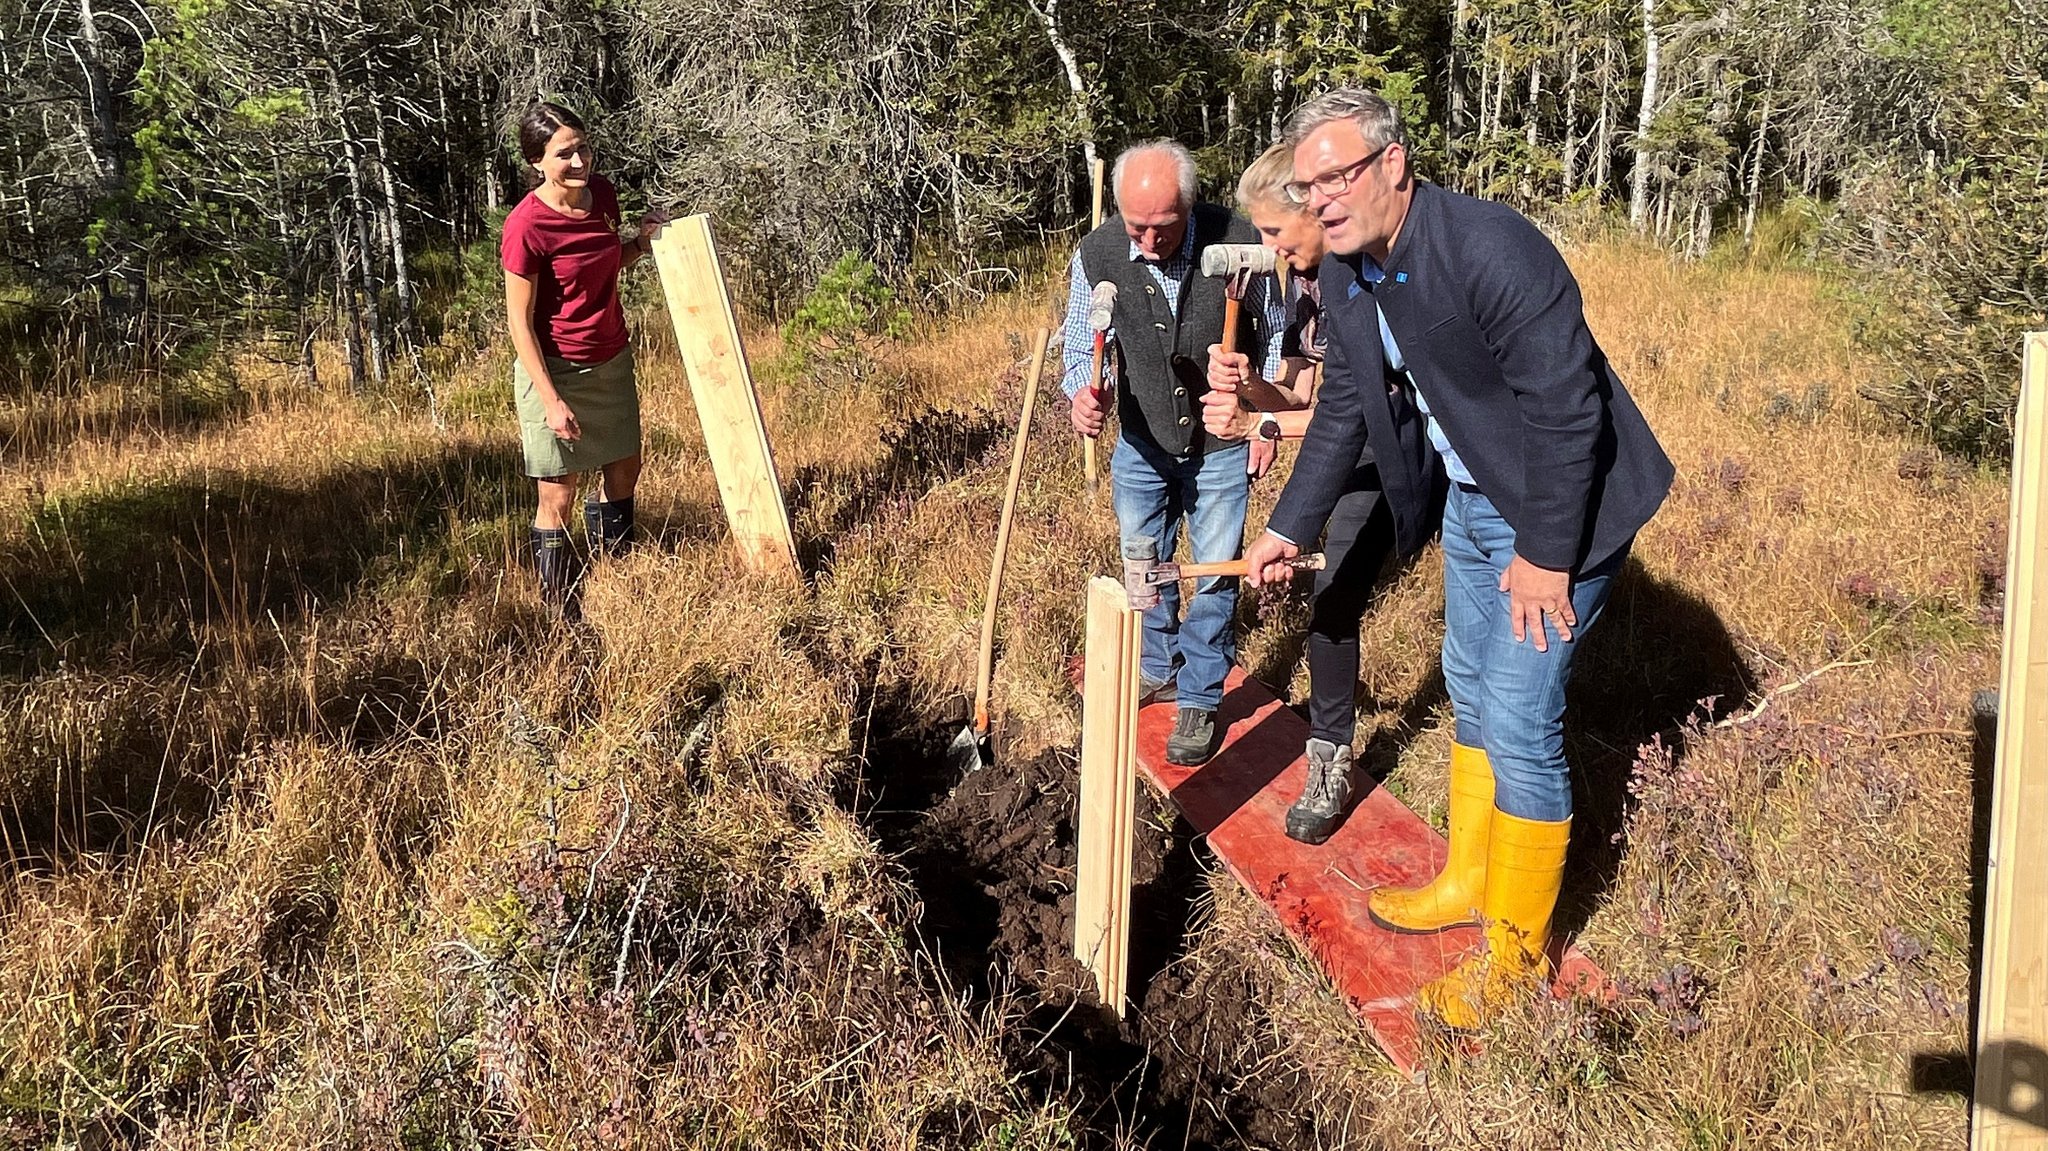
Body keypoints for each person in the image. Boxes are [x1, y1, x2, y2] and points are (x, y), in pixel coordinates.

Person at [1244, 89, 1675, 1027]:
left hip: (1566, 512)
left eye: (1339, 175)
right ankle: (1470, 879)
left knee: (1519, 717)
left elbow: (1570, 413)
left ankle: (1514, 963)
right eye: (1310, 184)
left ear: (1393, 164)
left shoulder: (1493, 248)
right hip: (1478, 500)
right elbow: (1348, 409)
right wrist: (1288, 525)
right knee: (1469, 686)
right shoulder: (1355, 273)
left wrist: (1547, 557)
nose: (1322, 199)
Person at [1201, 143, 1417, 846]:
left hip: (1399, 453)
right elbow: (1300, 394)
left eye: (1270, 231)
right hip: (1342, 451)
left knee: (1341, 593)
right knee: (1332, 599)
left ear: (1314, 212)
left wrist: (1258, 422)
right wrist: (1247, 385)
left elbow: (1363, 411)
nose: (1264, 247)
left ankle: (1331, 757)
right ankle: (1331, 751)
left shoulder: (1372, 277)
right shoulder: (1303, 282)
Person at [1061, 140, 1286, 766]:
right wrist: (1083, 392)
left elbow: (1272, 340)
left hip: (1220, 441)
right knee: (1143, 560)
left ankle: (1201, 695)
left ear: (1188, 207)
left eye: (1164, 227)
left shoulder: (1238, 239)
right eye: (1138, 227)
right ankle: (1157, 665)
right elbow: (1081, 342)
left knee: (1215, 567)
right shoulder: (1100, 252)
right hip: (1141, 439)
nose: (1150, 240)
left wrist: (1261, 420)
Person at [501, 102, 660, 617]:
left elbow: (609, 262)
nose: (578, 161)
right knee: (558, 497)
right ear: (536, 162)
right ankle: (559, 607)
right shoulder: (527, 226)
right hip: (555, 369)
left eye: (583, 147)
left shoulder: (603, 197)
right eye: (564, 153)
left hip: (610, 358)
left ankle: (618, 577)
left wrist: (640, 242)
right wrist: (550, 400)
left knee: (624, 471)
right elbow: (519, 323)